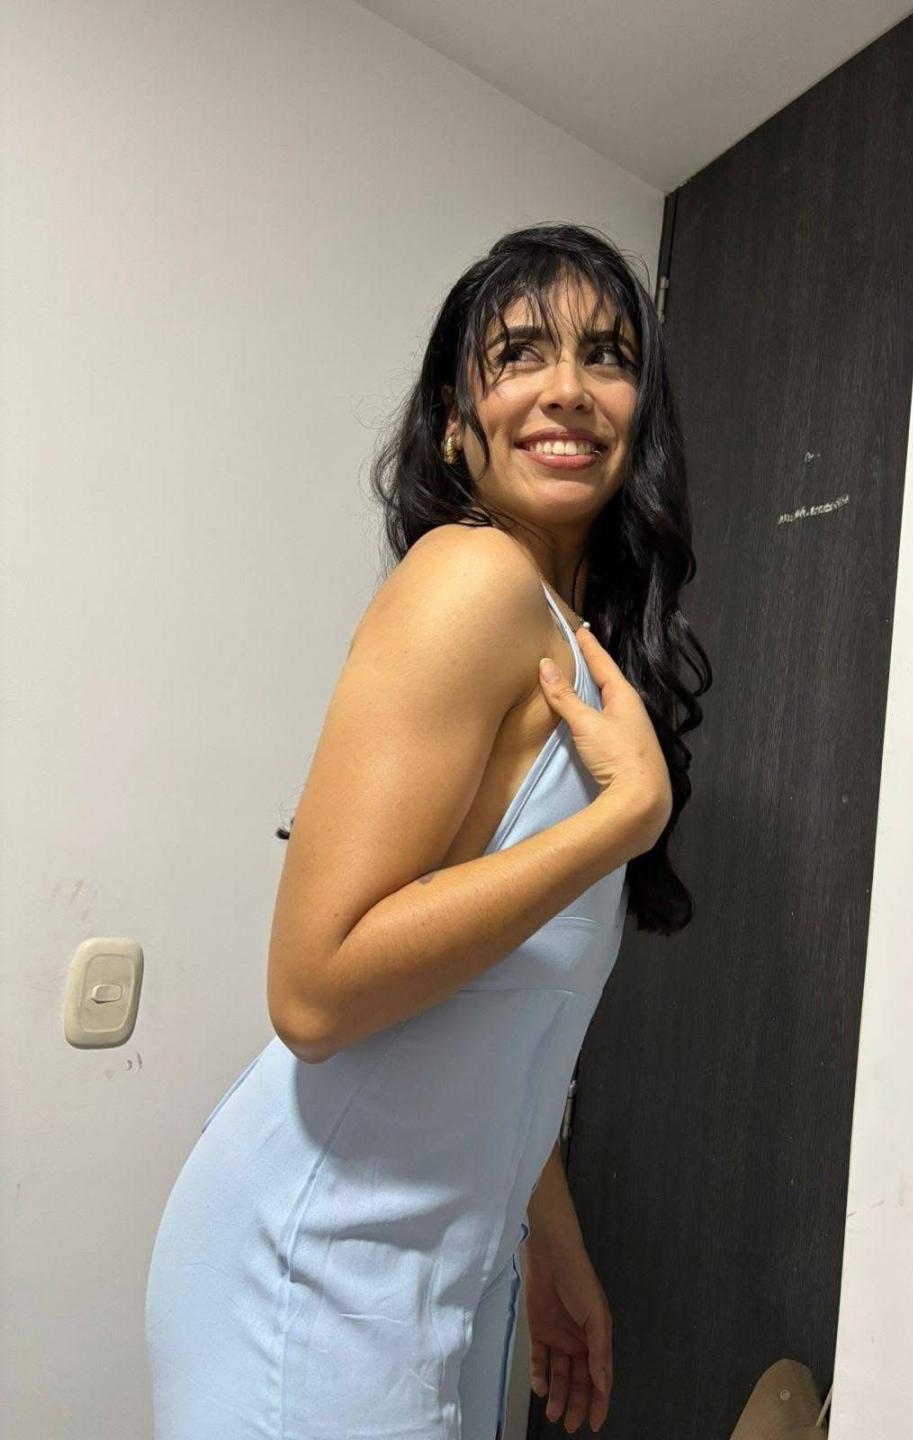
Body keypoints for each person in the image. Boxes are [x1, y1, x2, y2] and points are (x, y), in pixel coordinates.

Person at [144, 221, 706, 1439]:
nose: (569, 386)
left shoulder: (570, 648)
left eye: (607, 356)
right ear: (456, 420)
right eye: (522, 353)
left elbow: (482, 1012)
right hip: (314, 1267)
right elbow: (316, 990)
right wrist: (622, 820)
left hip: (433, 1270)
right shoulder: (473, 579)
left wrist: (551, 1239)